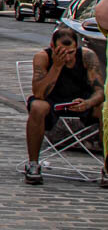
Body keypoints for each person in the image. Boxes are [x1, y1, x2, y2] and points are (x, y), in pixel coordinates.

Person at [23, 26, 104, 185]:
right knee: (38, 106)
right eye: (62, 53)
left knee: (104, 109)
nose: (67, 57)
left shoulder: (87, 57)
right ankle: (33, 163)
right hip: (52, 101)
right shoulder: (43, 58)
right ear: (53, 47)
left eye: (71, 52)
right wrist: (57, 66)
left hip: (82, 101)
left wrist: (88, 103)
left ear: (77, 48)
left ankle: (107, 168)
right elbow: (39, 93)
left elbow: (100, 91)